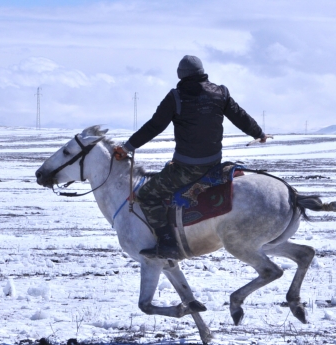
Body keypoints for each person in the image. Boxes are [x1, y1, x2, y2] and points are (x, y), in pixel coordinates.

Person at [113, 55, 268, 259]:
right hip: (213, 164)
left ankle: (168, 243)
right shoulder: (220, 93)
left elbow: (154, 126)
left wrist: (127, 148)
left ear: (181, 75)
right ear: (202, 71)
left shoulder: (176, 97)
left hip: (186, 168)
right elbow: (240, 116)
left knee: (147, 195)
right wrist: (258, 133)